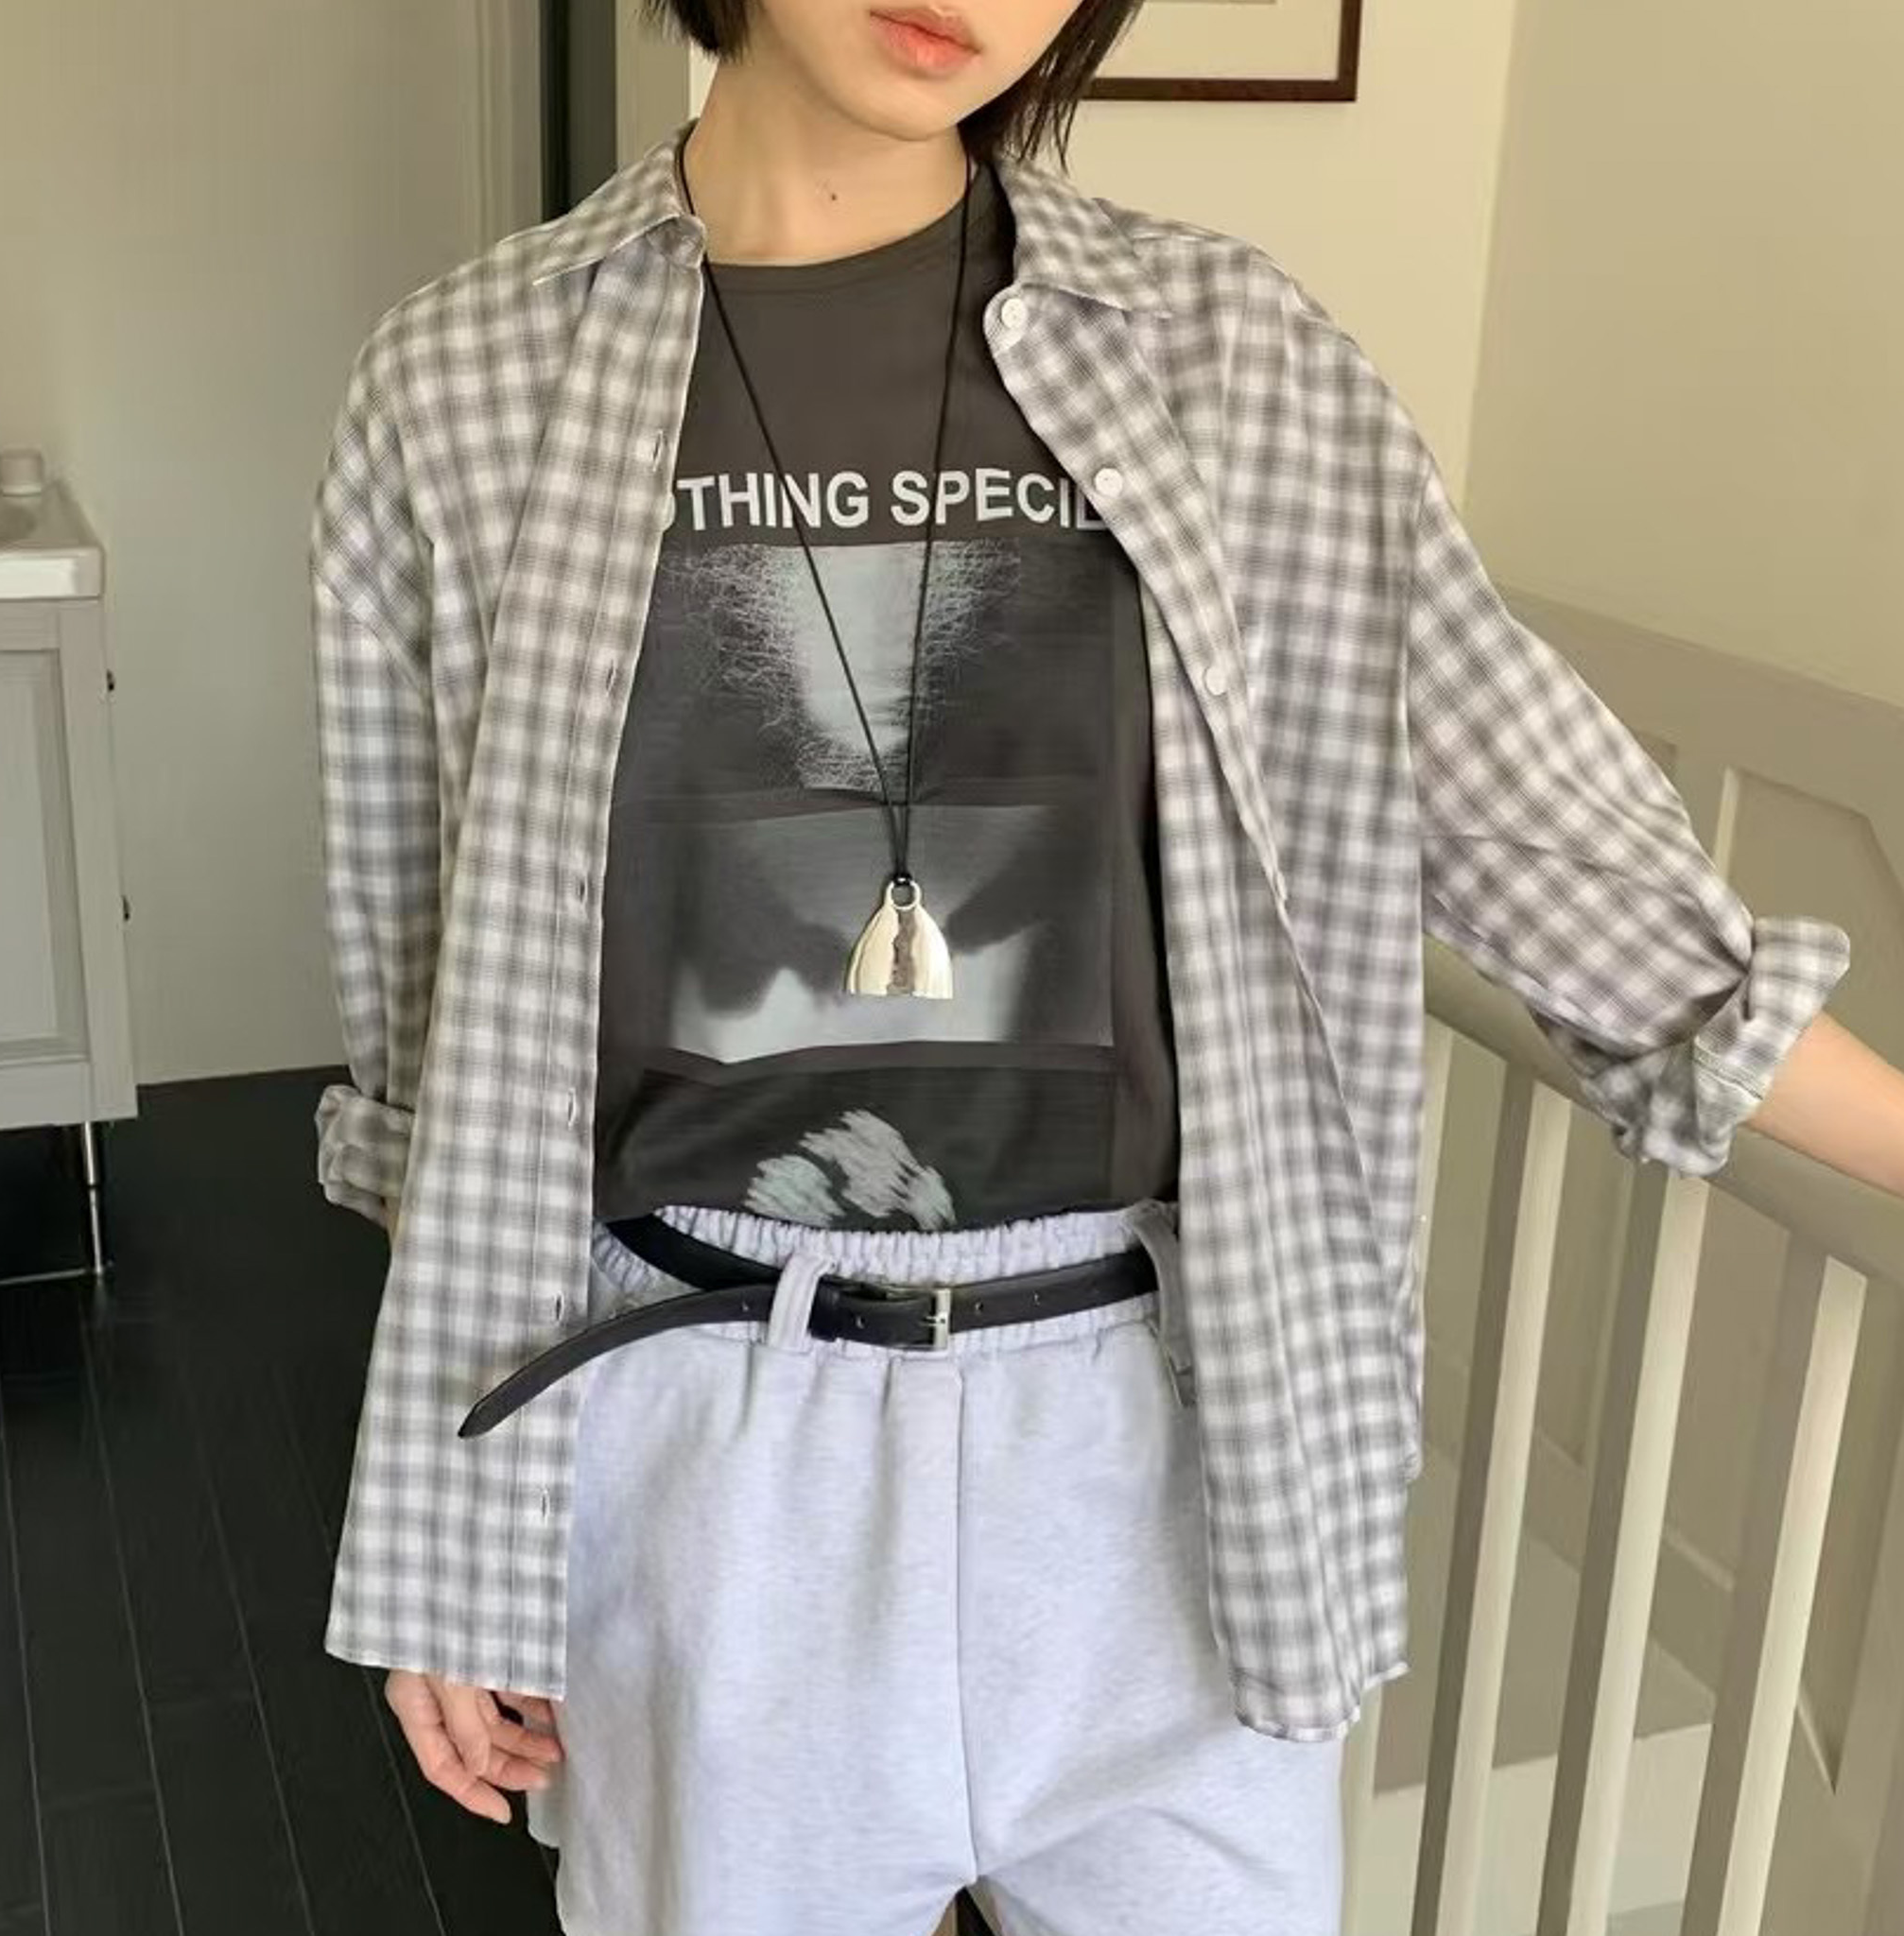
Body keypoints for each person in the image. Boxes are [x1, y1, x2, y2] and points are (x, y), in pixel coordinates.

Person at [306, 0, 1861, 1929]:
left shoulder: (1229, 360)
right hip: (701, 1429)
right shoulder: (462, 380)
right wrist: (458, 1528)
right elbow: (424, 1032)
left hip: (1162, 1431)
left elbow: (1561, 853)